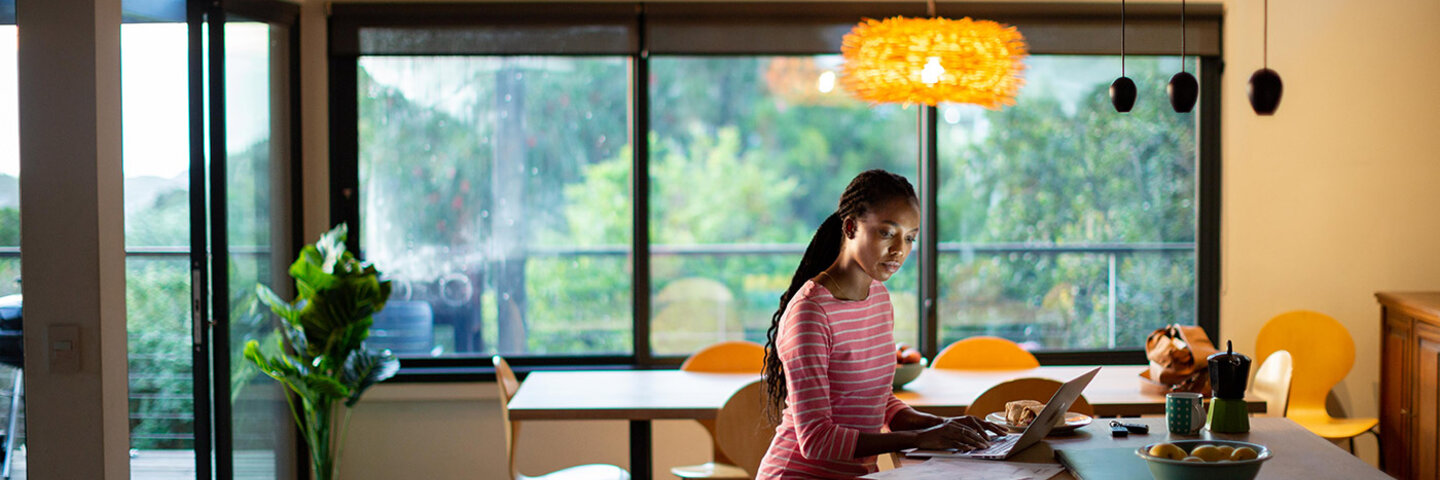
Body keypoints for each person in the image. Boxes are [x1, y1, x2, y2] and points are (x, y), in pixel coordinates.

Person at [758, 169, 1004, 479]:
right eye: (887, 233)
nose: (900, 250)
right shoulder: (810, 313)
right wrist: (919, 439)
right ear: (850, 227)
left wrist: (939, 425)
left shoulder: (878, 296)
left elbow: (876, 399)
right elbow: (816, 440)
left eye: (910, 237)